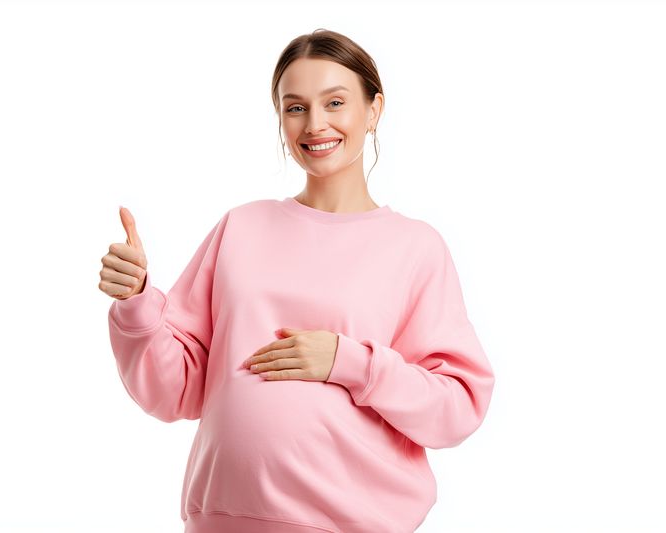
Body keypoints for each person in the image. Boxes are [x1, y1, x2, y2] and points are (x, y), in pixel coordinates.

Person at [99, 28, 495, 533]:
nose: (315, 124)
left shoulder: (415, 247)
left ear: (373, 110)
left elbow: (458, 405)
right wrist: (136, 303)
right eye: (295, 107)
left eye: (335, 102)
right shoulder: (241, 226)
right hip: (221, 520)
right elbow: (175, 390)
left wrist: (349, 362)